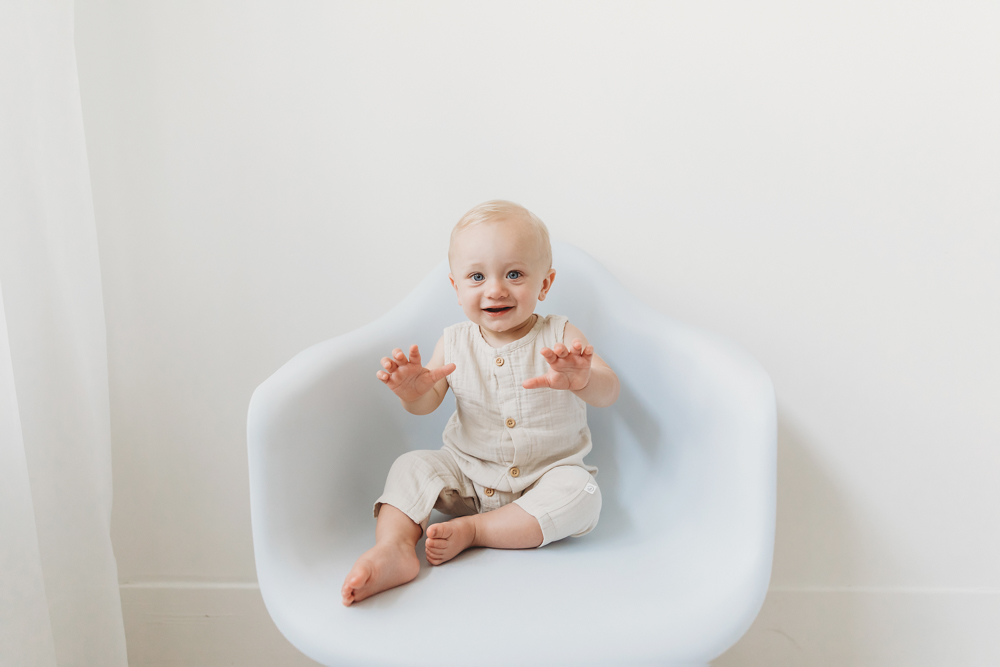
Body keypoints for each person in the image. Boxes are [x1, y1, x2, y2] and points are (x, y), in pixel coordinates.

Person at [341, 200, 620, 606]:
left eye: (514, 274)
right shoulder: (454, 341)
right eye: (476, 276)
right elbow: (425, 404)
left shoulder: (560, 334)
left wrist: (583, 378)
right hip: (466, 478)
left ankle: (477, 531)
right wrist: (414, 392)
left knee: (583, 493)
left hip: (545, 478)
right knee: (411, 466)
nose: (496, 289)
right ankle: (396, 547)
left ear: (544, 283)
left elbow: (609, 391)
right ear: (456, 288)